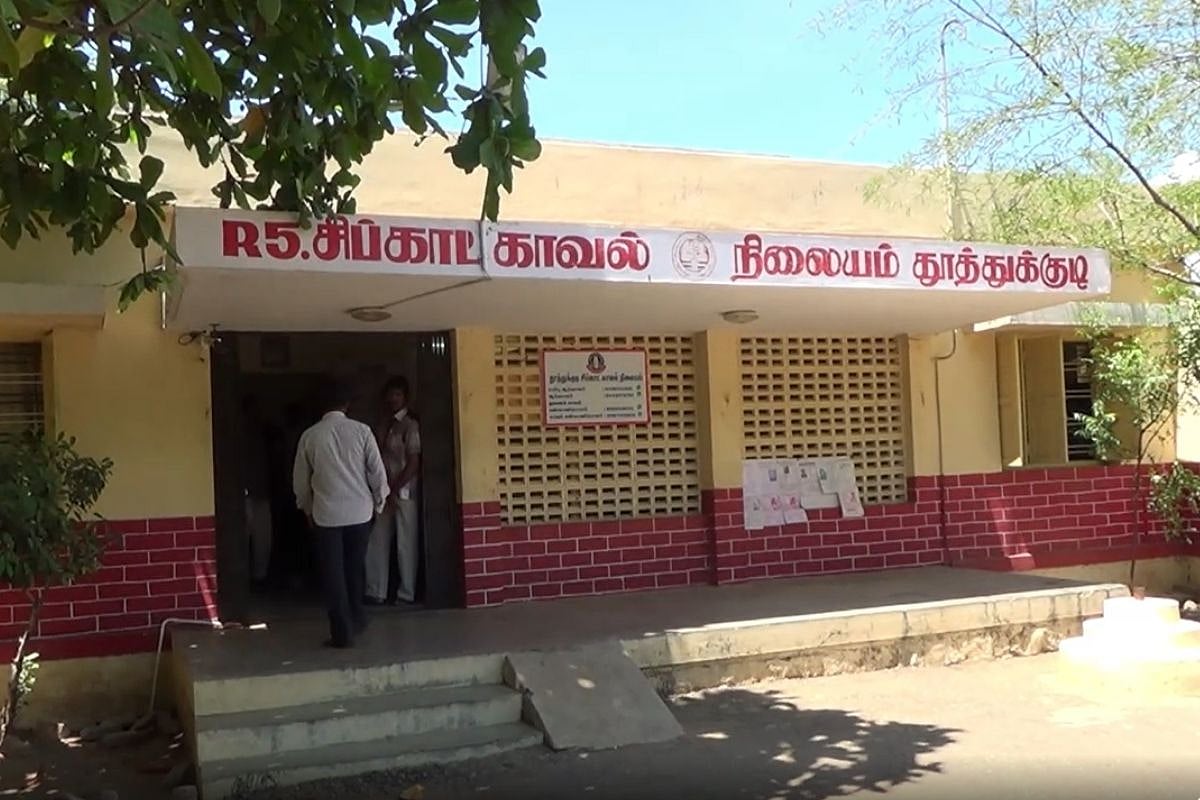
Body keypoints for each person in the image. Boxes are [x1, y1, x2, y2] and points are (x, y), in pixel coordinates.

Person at [292, 378, 388, 648]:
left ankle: (341, 631)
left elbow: (300, 482)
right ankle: (357, 617)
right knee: (354, 568)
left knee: (333, 574)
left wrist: (306, 509)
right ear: (347, 404)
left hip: (326, 515)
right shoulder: (362, 431)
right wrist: (378, 504)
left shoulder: (310, 436)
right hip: (360, 513)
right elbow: (377, 473)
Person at [365, 376, 422, 606]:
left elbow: (413, 462)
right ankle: (375, 590)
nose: (393, 399)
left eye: (397, 394)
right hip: (384, 489)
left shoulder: (410, 425)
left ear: (405, 397)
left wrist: (394, 488)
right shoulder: (386, 424)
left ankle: (406, 593)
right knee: (377, 540)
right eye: (390, 394)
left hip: (404, 491)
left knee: (405, 544)